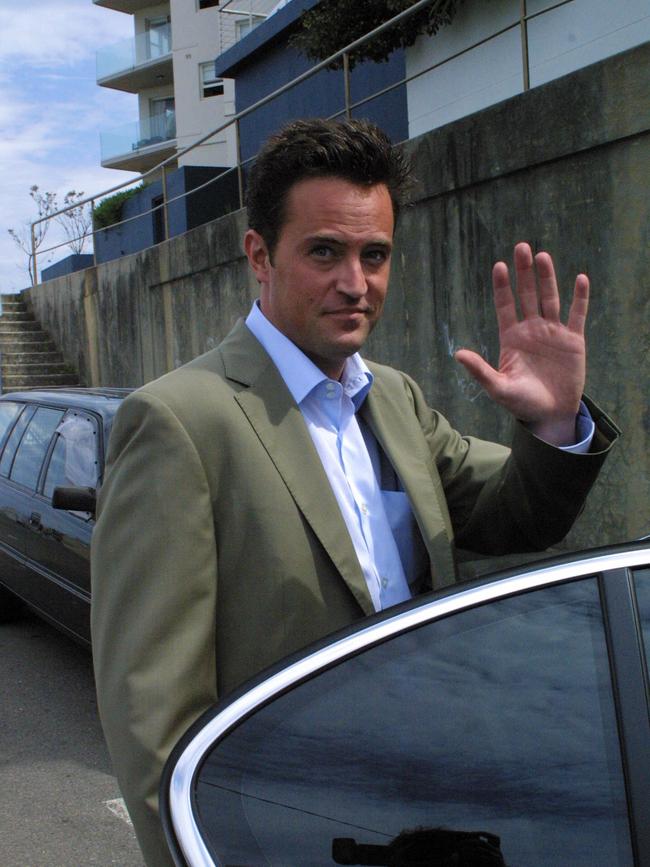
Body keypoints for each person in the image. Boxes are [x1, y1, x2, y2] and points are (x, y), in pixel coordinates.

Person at [91, 118, 618, 867]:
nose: (356, 282)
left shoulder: (394, 397)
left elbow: (513, 516)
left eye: (375, 254)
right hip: (286, 831)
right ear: (258, 256)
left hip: (426, 815)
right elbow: (154, 724)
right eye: (325, 252)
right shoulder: (180, 420)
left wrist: (555, 421)